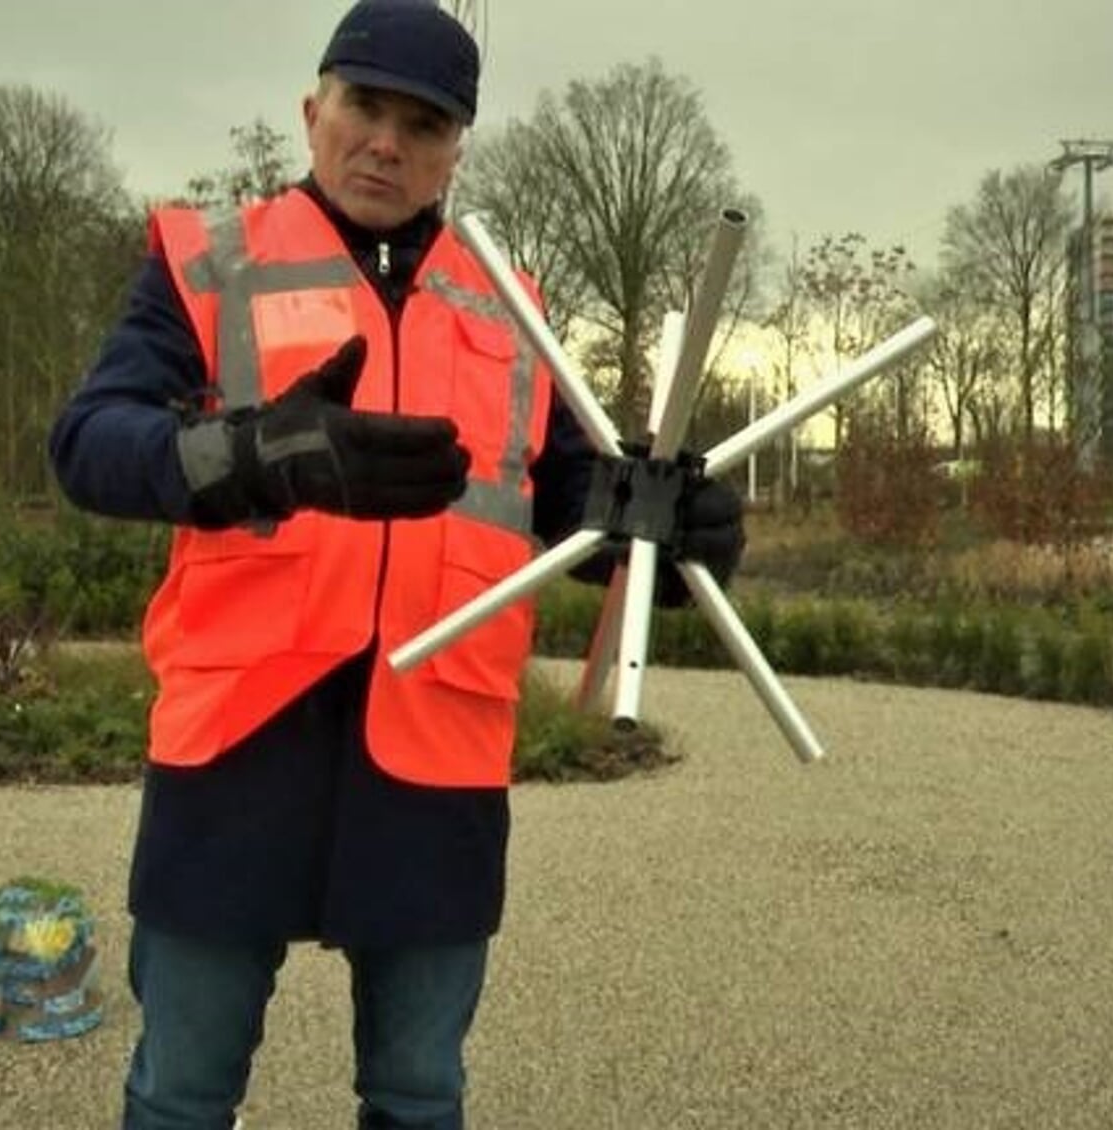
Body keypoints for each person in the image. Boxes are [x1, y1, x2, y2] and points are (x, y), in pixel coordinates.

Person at [48, 3, 745, 1127]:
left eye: (423, 123)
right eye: (365, 107)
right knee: (181, 1093)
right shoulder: (208, 263)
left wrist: (663, 534)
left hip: (437, 753)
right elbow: (88, 445)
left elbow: (572, 497)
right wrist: (253, 451)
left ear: (456, 149)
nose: (386, 140)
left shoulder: (510, 306)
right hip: (239, 743)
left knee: (419, 1095)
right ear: (312, 110)